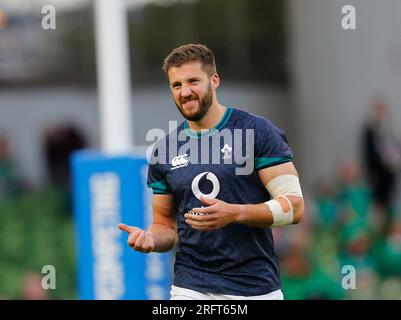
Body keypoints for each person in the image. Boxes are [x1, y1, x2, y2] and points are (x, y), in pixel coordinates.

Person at [118, 44, 304, 300]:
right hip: (189, 287)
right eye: (176, 85)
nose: (185, 92)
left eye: (193, 81)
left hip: (255, 288)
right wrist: (151, 239)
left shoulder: (258, 132)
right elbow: (165, 226)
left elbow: (294, 208)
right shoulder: (164, 149)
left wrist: (235, 213)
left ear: (214, 80)